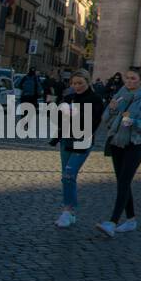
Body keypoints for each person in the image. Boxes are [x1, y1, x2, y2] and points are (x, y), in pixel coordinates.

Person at [95, 66, 141, 237]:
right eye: (128, 78)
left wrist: (134, 122)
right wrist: (113, 109)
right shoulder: (119, 95)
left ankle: (112, 222)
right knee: (123, 182)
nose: (129, 81)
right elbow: (106, 118)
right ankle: (131, 220)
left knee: (124, 181)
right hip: (117, 143)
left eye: (133, 79)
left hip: (134, 144)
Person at [49, 70, 103, 228]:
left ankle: (67, 211)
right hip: (66, 140)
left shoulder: (95, 99)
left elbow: (93, 123)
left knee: (69, 175)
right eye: (74, 83)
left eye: (80, 83)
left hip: (82, 141)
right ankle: (70, 212)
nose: (77, 86)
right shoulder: (68, 97)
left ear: (88, 82)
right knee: (65, 175)